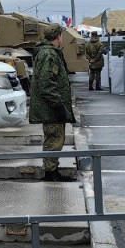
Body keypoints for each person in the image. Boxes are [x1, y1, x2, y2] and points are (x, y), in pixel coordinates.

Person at [29, 24, 76, 182]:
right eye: (61, 35)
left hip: (50, 107)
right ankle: (50, 172)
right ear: (57, 37)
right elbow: (46, 84)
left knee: (55, 139)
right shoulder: (49, 54)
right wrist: (58, 105)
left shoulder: (48, 52)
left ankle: (52, 170)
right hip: (50, 108)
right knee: (54, 139)